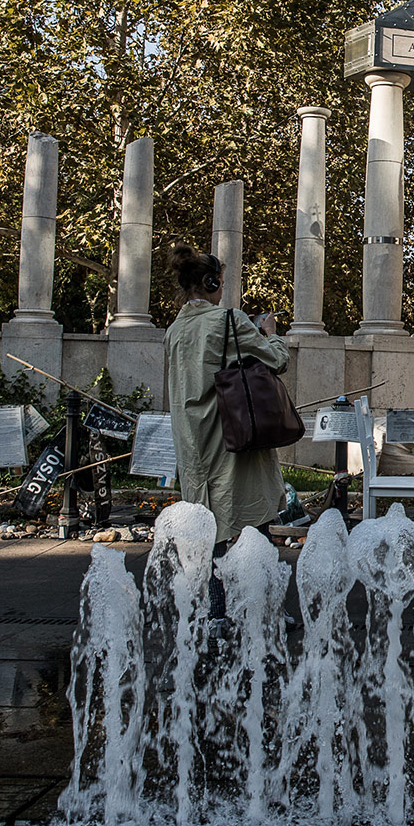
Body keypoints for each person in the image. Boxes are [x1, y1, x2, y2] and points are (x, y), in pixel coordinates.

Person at [163, 244, 290, 615]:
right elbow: (277, 361)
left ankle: (216, 612)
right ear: (211, 282)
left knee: (210, 529)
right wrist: (270, 332)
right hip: (233, 437)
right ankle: (270, 609)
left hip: (192, 444)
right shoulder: (229, 320)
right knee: (257, 522)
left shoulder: (174, 330)